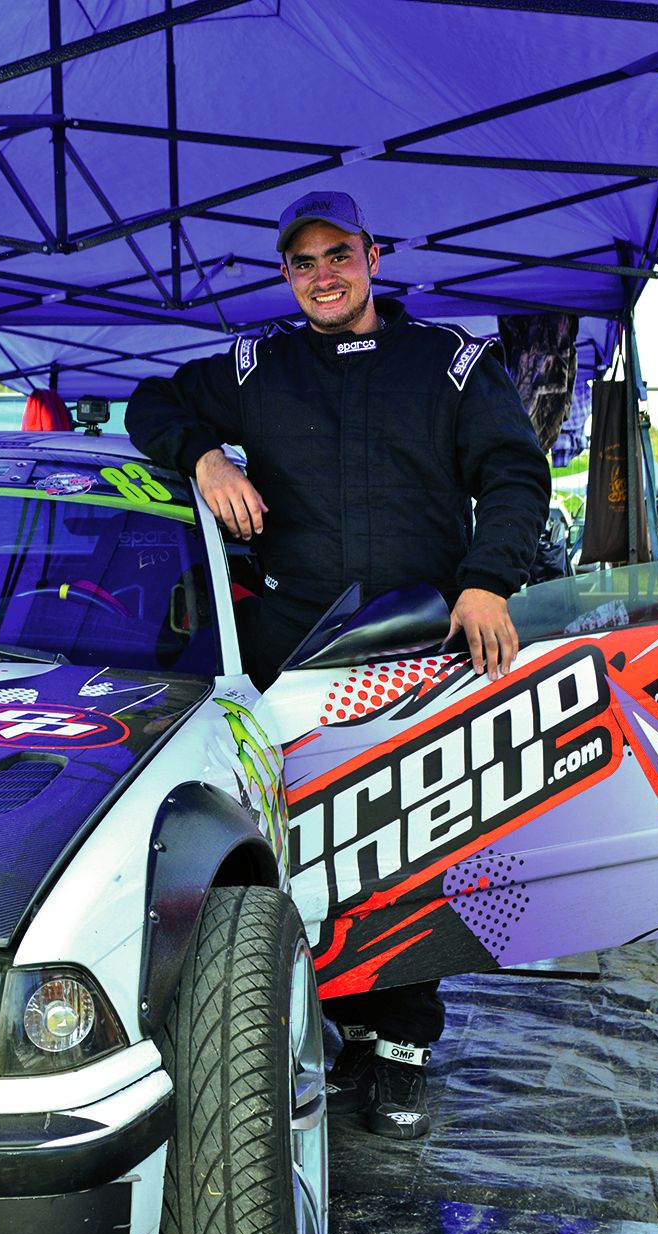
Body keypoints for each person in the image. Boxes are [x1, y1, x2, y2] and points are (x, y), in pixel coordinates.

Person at [125, 189, 548, 1141]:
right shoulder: (256, 364)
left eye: (337, 255)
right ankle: (323, 1014)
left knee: (413, 831)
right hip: (291, 649)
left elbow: (515, 472)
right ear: (287, 274)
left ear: (372, 254)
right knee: (298, 835)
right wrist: (204, 458)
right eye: (302, 262)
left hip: (421, 642)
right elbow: (148, 402)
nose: (322, 275)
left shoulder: (450, 363)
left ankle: (402, 1040)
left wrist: (487, 580)